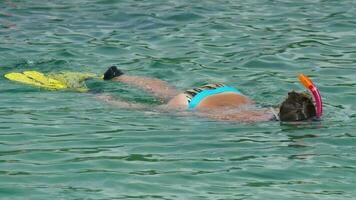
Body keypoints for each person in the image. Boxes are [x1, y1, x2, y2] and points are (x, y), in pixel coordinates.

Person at [97, 66, 317, 122]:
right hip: (192, 102)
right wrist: (187, 113)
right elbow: (214, 116)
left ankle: (120, 76)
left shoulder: (274, 109)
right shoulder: (254, 121)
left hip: (224, 89)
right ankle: (98, 95)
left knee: (167, 91)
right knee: (151, 109)